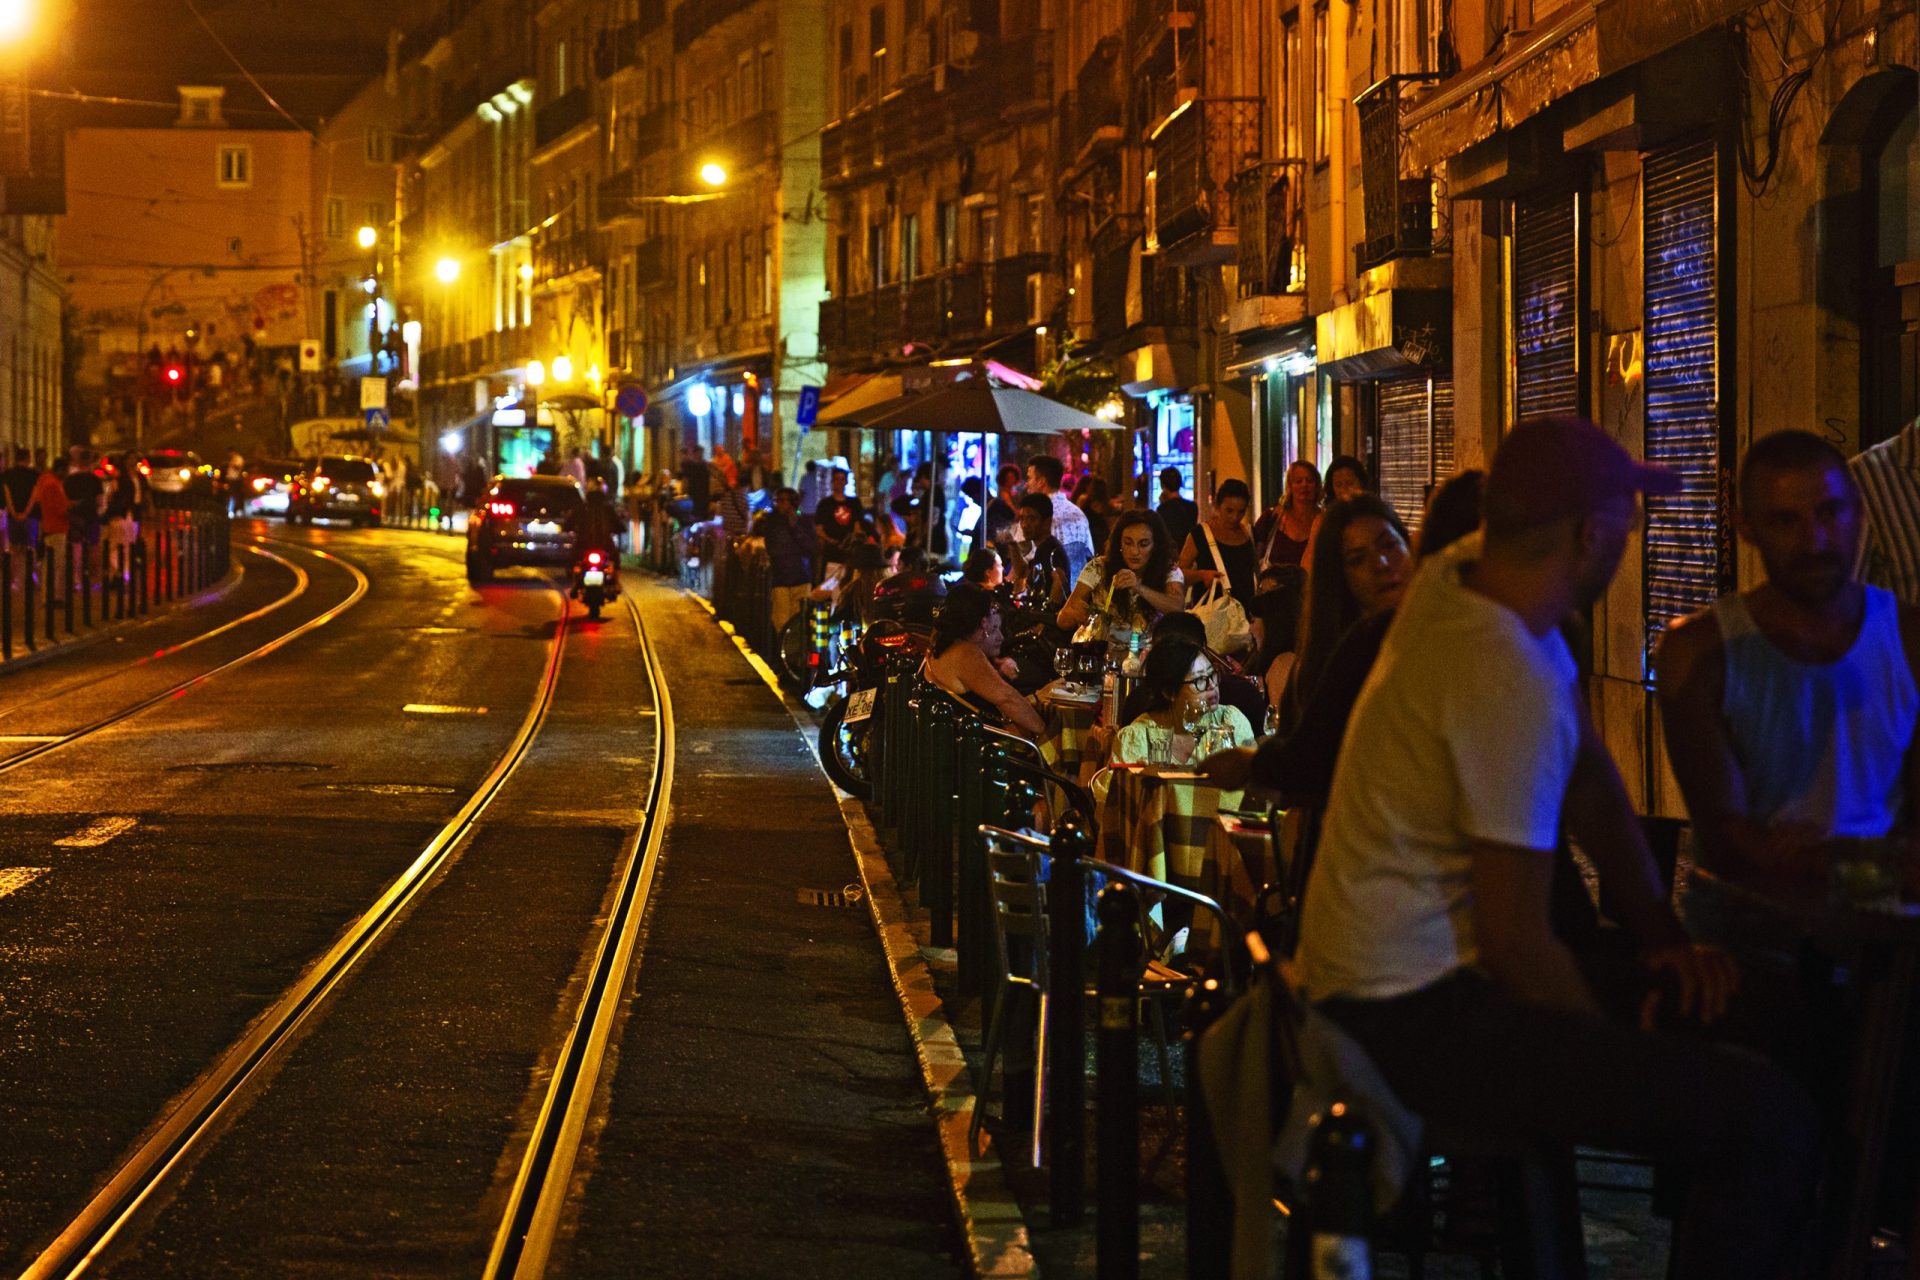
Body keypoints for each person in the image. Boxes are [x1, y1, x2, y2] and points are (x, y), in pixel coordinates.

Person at [1299, 417, 1817, 1280]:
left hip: (1381, 983)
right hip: (1411, 1015)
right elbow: (1517, 943)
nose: (1634, 537)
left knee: (1773, 1009)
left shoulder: (1454, 581)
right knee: (1766, 1119)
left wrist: (1662, 943)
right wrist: (1621, 1058)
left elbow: (1595, 789)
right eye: (1627, 520)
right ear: (1589, 536)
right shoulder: (1503, 668)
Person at [1275, 495, 1414, 733]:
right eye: (1358, 559)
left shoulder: (1440, 637)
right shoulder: (1332, 669)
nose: (1381, 563)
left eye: (1389, 545)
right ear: (1339, 577)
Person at [1105, 632, 1255, 770]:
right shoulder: (1138, 738)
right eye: (1200, 680)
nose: (1212, 685)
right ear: (1169, 692)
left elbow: (1254, 781)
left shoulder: (1230, 722)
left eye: (1212, 674)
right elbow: (1118, 793)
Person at [923, 582, 1046, 736]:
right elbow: (1007, 699)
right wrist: (1045, 733)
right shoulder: (966, 653)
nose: (1000, 636)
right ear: (983, 623)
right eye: (993, 628)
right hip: (973, 748)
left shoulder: (941, 644)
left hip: (951, 738)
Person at [1055, 509, 1184, 645]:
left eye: (1143, 544)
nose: (1134, 551)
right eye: (1128, 543)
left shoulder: (1168, 569)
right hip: (1103, 653)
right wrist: (1077, 615)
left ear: (1155, 546)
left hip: (1149, 656)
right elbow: (1062, 620)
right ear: (1119, 544)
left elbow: (1177, 607)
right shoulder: (1099, 567)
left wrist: (1139, 587)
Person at [1178, 478, 1257, 608]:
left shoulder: (1248, 533)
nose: (1235, 517)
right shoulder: (1200, 534)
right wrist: (1201, 575)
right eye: (1229, 511)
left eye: (1241, 512)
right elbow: (1178, 574)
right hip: (1211, 614)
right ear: (1217, 506)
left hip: (1245, 612)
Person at [754, 487, 818, 634]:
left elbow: (811, 547)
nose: (780, 504)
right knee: (781, 622)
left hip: (801, 577)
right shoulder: (772, 521)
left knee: (800, 622)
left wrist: (795, 527)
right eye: (778, 500)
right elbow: (773, 548)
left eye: (784, 500)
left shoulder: (803, 521)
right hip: (781, 579)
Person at [1024, 455, 1095, 583]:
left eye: (1029, 478)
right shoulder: (1078, 513)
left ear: (1041, 482)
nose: (1026, 484)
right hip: (1079, 591)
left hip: (1050, 594)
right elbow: (1089, 556)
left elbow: (1031, 564)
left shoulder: (1038, 517)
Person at [1250, 459, 1321, 571]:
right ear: (1290, 486)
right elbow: (1250, 554)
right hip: (1275, 587)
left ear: (1317, 485)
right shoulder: (1272, 518)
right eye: (1298, 481)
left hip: (1312, 587)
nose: (1304, 485)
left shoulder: (1325, 520)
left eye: (1310, 480)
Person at [1010, 493, 1069, 614]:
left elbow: (1060, 580)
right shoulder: (1042, 548)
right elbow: (1022, 572)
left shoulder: (1049, 548)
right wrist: (1012, 545)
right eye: (1022, 518)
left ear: (1047, 521)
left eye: (1032, 518)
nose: (1025, 525)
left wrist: (1046, 618)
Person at [812, 461, 866, 575]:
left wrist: (852, 541)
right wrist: (830, 540)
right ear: (832, 482)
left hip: (849, 551)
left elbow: (857, 526)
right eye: (836, 479)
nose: (839, 483)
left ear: (846, 481)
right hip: (831, 551)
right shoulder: (825, 504)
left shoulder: (854, 503)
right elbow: (819, 529)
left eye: (842, 479)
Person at [64, 447, 105, 591]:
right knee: (94, 547)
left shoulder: (70, 480)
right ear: (90, 462)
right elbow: (100, 501)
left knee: (76, 549)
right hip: (91, 516)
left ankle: (77, 580)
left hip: (74, 518)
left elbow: (65, 500)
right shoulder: (95, 480)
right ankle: (93, 580)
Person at [31, 460, 70, 601]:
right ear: (60, 469)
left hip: (48, 525)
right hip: (56, 526)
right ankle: (51, 596)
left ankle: (49, 595)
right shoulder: (52, 484)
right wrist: (72, 509)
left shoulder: (44, 481)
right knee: (55, 564)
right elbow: (59, 508)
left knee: (50, 563)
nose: (67, 474)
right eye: (65, 470)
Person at [2, 447, 40, 589]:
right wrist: (26, 513)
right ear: (28, 458)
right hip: (31, 517)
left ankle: (14, 580)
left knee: (14, 549)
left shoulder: (8, 474)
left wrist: (13, 512)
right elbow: (34, 495)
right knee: (31, 547)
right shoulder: (34, 475)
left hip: (13, 517)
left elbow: (7, 494)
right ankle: (32, 577)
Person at [569, 476, 624, 559]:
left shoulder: (582, 508)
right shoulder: (608, 509)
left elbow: (569, 523)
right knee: (615, 561)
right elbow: (618, 524)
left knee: (573, 560)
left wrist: (568, 528)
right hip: (604, 545)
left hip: (584, 544)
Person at [1154, 467, 1198, 560]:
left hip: (1171, 556)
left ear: (1163, 486)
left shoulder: (1162, 509)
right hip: (1189, 554)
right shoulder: (1192, 506)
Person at [984, 462, 1022, 553]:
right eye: (1008, 477)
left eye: (1013, 477)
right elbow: (1013, 512)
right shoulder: (1003, 495)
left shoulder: (1014, 495)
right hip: (1001, 532)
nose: (1011, 480)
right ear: (1003, 479)